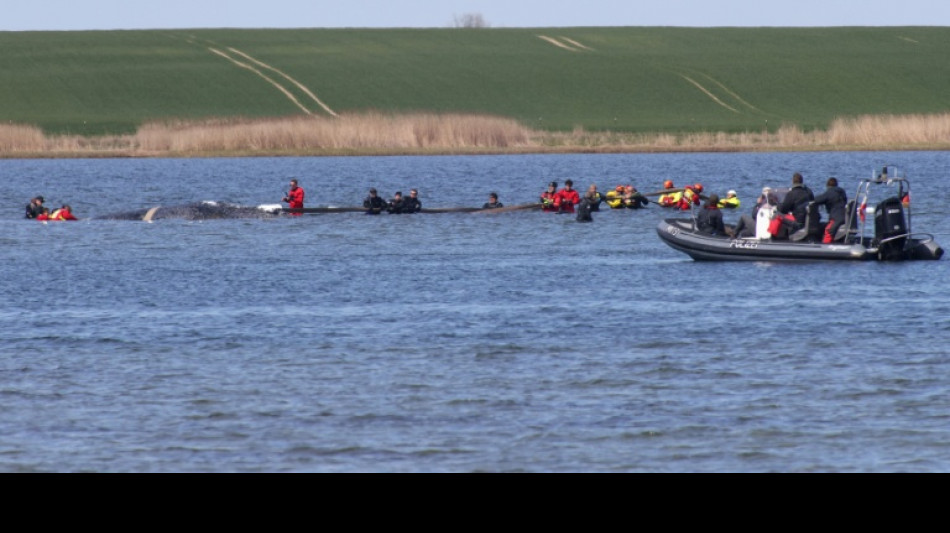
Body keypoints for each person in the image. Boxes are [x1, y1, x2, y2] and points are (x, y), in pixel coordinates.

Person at [812, 177, 849, 244]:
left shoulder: (830, 192)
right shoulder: (842, 192)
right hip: (846, 218)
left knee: (828, 230)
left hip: (836, 218)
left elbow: (817, 200)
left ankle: (824, 247)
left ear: (828, 186)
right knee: (822, 226)